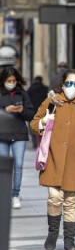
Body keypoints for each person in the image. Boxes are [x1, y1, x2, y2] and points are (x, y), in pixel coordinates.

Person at [30, 70, 75, 250]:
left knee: (71, 201)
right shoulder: (52, 100)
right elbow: (34, 124)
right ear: (63, 83)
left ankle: (69, 241)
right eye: (69, 83)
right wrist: (44, 121)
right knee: (55, 197)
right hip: (53, 158)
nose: (72, 88)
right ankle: (52, 235)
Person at [0, 67, 35, 209]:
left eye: (14, 80)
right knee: (3, 167)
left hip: (19, 134)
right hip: (2, 135)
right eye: (9, 81)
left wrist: (22, 110)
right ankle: (4, 194)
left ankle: (15, 194)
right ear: (3, 81)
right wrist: (4, 110)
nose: (11, 83)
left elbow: (31, 114)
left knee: (18, 165)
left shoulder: (23, 93)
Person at [27, 76, 48, 148]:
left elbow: (27, 100)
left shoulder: (30, 89)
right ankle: (41, 143)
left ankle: (35, 143)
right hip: (43, 111)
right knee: (42, 127)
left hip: (32, 111)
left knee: (33, 127)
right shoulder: (45, 89)